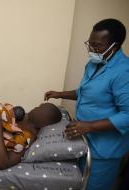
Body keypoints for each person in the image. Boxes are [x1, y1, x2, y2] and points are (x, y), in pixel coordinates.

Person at [44, 19, 129, 190]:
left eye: (97, 46)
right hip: (84, 141)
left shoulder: (123, 71)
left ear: (114, 46)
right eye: (90, 44)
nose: (92, 50)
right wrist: (60, 94)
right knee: (79, 183)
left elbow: (127, 114)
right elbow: (86, 92)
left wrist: (89, 126)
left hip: (104, 149)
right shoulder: (93, 63)